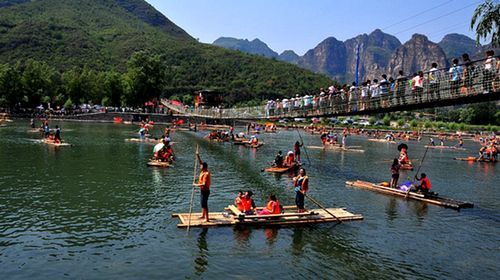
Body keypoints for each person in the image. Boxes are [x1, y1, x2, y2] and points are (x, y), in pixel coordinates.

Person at [193, 152, 211, 222]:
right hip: (202, 190)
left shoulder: (206, 174)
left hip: (205, 191)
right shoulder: (203, 171)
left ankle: (207, 219)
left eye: (201, 166)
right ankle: (203, 215)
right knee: (202, 203)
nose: (200, 166)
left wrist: (195, 185)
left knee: (204, 204)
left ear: (204, 167)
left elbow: (203, 184)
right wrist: (198, 156)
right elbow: (200, 162)